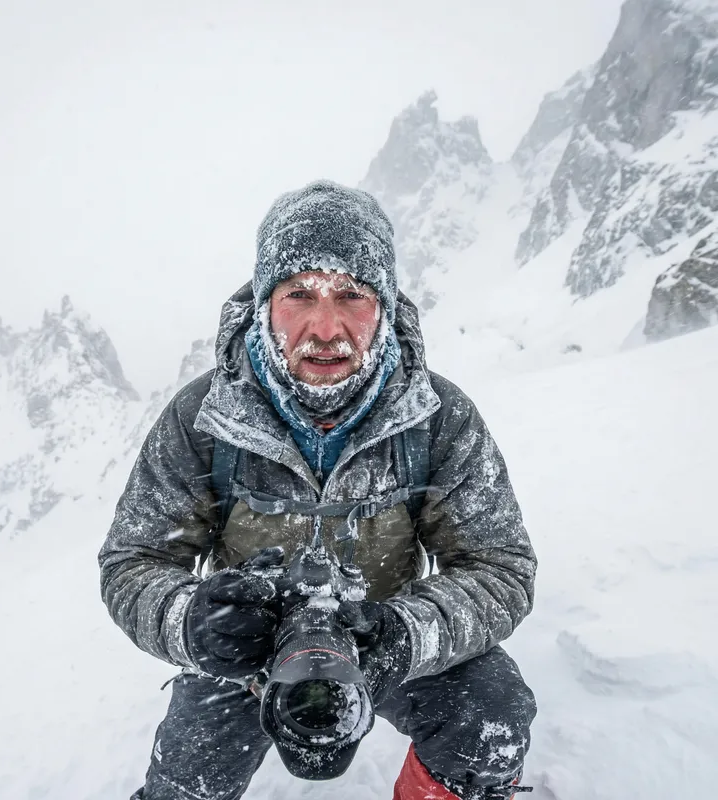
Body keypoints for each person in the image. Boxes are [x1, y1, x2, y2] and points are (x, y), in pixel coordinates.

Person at [99, 180, 537, 800]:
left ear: (384, 308)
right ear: (263, 304)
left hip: (385, 639)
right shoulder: (201, 419)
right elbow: (132, 562)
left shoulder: (438, 418)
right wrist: (194, 622)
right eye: (299, 294)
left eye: (352, 295)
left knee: (490, 712)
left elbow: (501, 566)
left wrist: (404, 634)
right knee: (183, 787)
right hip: (241, 659)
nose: (325, 328)